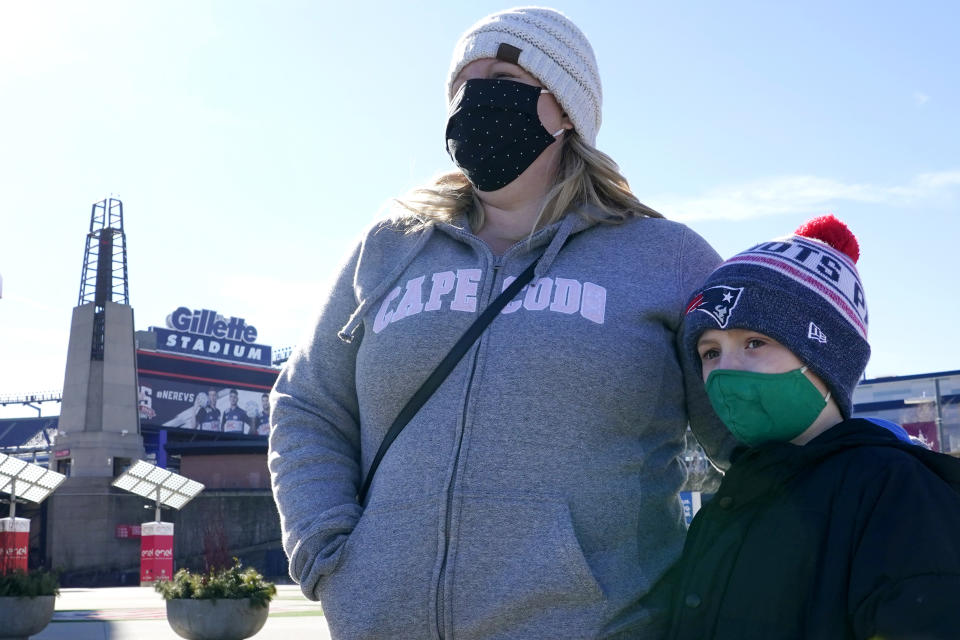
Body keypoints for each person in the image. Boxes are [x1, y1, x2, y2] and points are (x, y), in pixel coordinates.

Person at [269, 7, 732, 639]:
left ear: (567, 109)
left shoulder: (665, 258)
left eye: (505, 81)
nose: (476, 101)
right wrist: (328, 555)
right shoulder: (388, 249)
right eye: (464, 85)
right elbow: (308, 403)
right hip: (381, 624)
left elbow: (745, 437)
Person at [664, 215, 960, 639]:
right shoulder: (732, 498)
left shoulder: (895, 489)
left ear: (825, 356)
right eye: (710, 352)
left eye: (755, 343)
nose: (726, 370)